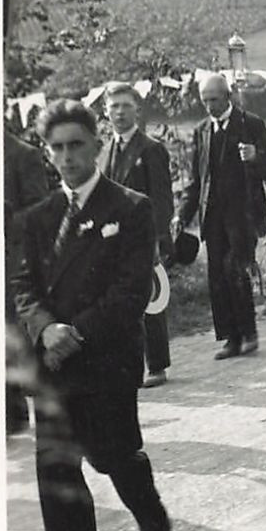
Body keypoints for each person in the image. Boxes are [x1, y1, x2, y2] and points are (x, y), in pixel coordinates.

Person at [12, 100, 177, 531]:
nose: (67, 157)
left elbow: (131, 292)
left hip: (105, 359)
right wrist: (44, 330)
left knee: (114, 459)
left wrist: (73, 333)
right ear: (47, 152)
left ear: (97, 144)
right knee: (57, 468)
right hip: (52, 361)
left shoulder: (129, 208)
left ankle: (155, 526)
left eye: (76, 145)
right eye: (56, 147)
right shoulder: (35, 219)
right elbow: (22, 287)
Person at [175, 73, 266, 359]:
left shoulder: (250, 124)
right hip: (213, 216)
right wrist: (182, 214)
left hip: (243, 213)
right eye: (205, 100)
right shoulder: (201, 130)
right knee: (217, 277)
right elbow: (196, 179)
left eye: (215, 99)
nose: (209, 106)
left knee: (237, 270)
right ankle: (230, 338)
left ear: (228, 96)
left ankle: (249, 333)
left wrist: (255, 156)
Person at [100, 83, 175, 384]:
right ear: (106, 112)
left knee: (150, 298)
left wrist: (156, 238)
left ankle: (156, 364)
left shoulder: (151, 149)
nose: (119, 112)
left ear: (136, 109)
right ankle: (127, 363)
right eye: (113, 107)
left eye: (125, 106)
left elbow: (162, 198)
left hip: (143, 238)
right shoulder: (104, 152)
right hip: (113, 239)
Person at [6, 128, 51, 434]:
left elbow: (40, 211)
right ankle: (10, 409)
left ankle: (28, 410)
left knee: (18, 333)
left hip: (16, 258)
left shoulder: (24, 154)